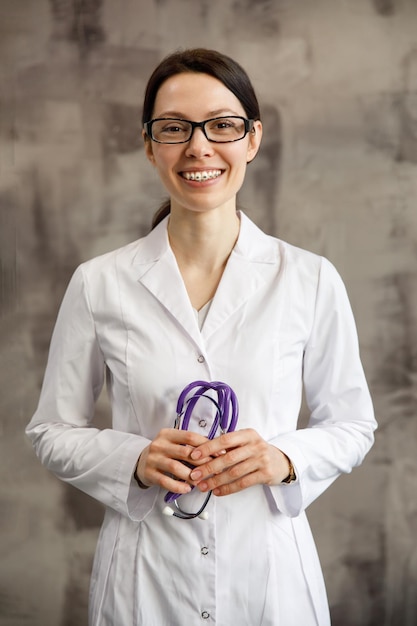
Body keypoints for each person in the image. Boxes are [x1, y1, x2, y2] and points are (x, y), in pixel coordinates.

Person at [26, 48, 377, 626]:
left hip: (269, 575)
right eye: (174, 128)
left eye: (222, 125)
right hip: (144, 579)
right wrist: (134, 459)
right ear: (148, 144)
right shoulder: (99, 284)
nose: (198, 146)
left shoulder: (309, 279)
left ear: (252, 139)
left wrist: (282, 458)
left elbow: (353, 425)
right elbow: (50, 430)